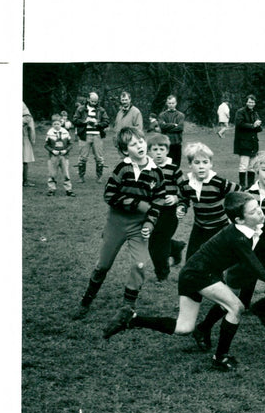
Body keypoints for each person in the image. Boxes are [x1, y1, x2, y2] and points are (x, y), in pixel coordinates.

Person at [102, 191, 265, 372]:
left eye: (259, 208)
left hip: (197, 273)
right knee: (236, 307)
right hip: (198, 275)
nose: (260, 213)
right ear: (239, 220)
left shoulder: (257, 226)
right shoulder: (237, 238)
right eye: (253, 212)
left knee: (184, 327)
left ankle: (132, 319)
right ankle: (220, 358)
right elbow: (258, 271)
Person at [71, 127, 166, 320]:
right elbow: (109, 195)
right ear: (125, 151)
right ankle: (86, 300)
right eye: (133, 144)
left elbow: (158, 202)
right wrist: (138, 204)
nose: (139, 145)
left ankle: (127, 306)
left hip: (139, 227)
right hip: (116, 223)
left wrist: (149, 224)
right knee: (103, 265)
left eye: (141, 141)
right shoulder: (122, 168)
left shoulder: (157, 173)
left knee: (139, 264)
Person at [194, 186, 265, 343]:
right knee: (229, 305)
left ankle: (260, 307)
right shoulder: (258, 225)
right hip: (242, 267)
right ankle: (203, 328)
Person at [176, 142, 239, 261]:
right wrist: (181, 207)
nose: (201, 166)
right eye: (197, 162)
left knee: (216, 259)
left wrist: (234, 213)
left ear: (211, 164)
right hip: (199, 226)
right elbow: (183, 197)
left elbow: (239, 192)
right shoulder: (186, 183)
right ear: (190, 164)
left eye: (205, 162)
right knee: (192, 258)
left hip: (219, 226)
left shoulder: (219, 183)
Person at [146, 132, 188, 281]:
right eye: (155, 150)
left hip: (169, 212)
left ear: (167, 151)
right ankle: (175, 247)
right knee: (153, 241)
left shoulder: (173, 169)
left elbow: (186, 189)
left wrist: (177, 198)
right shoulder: (146, 169)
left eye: (162, 149)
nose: (158, 153)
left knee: (159, 243)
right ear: (148, 152)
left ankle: (162, 273)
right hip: (151, 211)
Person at [72, 91, 110, 183]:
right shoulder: (81, 109)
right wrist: (85, 121)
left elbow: (107, 121)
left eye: (96, 101)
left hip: (97, 135)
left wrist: (98, 123)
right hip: (85, 135)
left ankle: (99, 177)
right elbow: (74, 120)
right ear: (88, 99)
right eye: (92, 101)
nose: (94, 103)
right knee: (83, 157)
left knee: (99, 157)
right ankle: (81, 177)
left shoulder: (101, 110)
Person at [233, 94, 262, 188]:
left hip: (254, 143)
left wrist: (258, 125)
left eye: (253, 102)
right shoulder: (240, 112)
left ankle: (250, 185)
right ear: (246, 102)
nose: (251, 104)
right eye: (249, 102)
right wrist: (253, 125)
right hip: (243, 142)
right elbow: (240, 124)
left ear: (255, 103)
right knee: (243, 165)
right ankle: (242, 185)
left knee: (252, 166)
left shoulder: (255, 113)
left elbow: (259, 128)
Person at [44, 114, 75, 197]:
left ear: (61, 123)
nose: (56, 126)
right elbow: (46, 145)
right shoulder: (50, 133)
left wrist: (66, 150)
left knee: (66, 173)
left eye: (58, 124)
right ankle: (51, 189)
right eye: (54, 124)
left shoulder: (65, 132)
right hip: (53, 156)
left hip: (64, 156)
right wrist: (52, 150)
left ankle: (68, 189)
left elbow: (70, 144)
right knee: (52, 173)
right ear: (52, 125)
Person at [158, 95, 185, 166]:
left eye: (173, 103)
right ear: (167, 103)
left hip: (177, 143)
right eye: (169, 103)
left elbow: (180, 127)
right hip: (166, 144)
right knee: (166, 165)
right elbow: (162, 127)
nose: (171, 105)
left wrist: (167, 128)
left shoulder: (180, 115)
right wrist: (173, 125)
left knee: (176, 165)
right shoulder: (162, 115)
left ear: (176, 103)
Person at [22, 102, 37, 187]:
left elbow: (28, 118)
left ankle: (25, 180)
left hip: (24, 137)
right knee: (24, 160)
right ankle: (25, 181)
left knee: (25, 160)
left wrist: (32, 139)